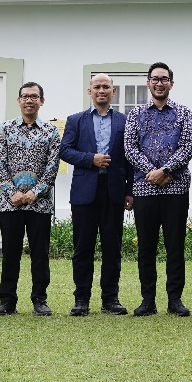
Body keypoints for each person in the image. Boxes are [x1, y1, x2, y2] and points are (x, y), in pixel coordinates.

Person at [123, 61, 192, 317]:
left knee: (175, 246)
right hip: (144, 190)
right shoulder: (135, 114)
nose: (159, 83)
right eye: (155, 79)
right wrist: (153, 173)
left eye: (164, 79)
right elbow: (130, 149)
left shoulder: (184, 113)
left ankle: (175, 300)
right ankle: (148, 300)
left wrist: (166, 171)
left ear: (171, 84)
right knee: (146, 247)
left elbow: (188, 147)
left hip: (175, 189)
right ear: (148, 83)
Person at [60, 73, 133, 315]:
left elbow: (130, 160)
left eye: (106, 87)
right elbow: (66, 151)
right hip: (84, 192)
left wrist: (130, 191)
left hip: (114, 192)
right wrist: (91, 159)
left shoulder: (125, 121)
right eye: (97, 87)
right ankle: (81, 299)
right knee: (83, 248)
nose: (101, 90)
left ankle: (110, 299)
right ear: (89, 91)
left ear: (113, 92)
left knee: (112, 247)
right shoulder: (75, 120)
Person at [0, 81, 61, 316]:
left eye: (34, 96)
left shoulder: (50, 131)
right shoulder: (4, 129)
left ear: (42, 101)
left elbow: (52, 165)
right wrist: (13, 192)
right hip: (10, 203)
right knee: (10, 252)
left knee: (40, 253)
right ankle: (7, 301)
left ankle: (40, 300)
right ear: (19, 100)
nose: (29, 100)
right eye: (25, 96)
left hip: (39, 204)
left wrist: (34, 192)